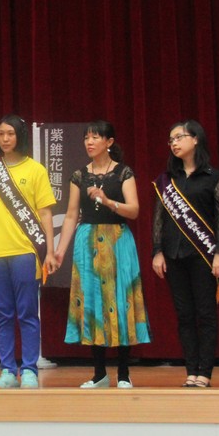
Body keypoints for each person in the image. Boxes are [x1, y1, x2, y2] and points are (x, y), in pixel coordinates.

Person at [56, 120, 150, 388]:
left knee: (121, 301)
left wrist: (108, 202)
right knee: (91, 302)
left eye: (95, 137)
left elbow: (134, 210)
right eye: (87, 137)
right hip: (87, 242)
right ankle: (99, 373)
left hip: (117, 240)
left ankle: (124, 373)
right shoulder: (79, 175)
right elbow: (71, 215)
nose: (89, 142)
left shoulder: (123, 173)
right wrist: (60, 251)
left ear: (109, 142)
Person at [0, 114, 57, 389]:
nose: (5, 139)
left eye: (10, 133)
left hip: (25, 251)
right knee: (2, 313)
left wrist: (50, 251)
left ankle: (29, 369)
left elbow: (45, 213)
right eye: (1, 134)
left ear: (20, 136)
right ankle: (7, 369)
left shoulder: (36, 170)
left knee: (28, 313)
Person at [150, 121, 219, 388]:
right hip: (173, 254)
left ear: (195, 139)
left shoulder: (213, 177)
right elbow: (158, 218)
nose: (174, 143)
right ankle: (191, 371)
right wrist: (157, 251)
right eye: (170, 139)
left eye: (179, 137)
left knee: (206, 313)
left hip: (204, 255)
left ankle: (205, 372)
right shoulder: (167, 180)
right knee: (184, 314)